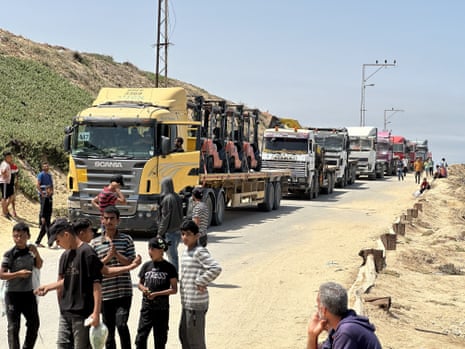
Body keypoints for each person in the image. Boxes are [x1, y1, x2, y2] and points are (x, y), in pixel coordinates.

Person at [35, 219, 103, 349]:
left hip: (82, 313)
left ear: (66, 234)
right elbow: (70, 279)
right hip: (66, 312)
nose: (58, 244)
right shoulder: (66, 256)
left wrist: (96, 313)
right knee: (62, 345)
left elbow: (96, 285)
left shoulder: (87, 252)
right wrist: (49, 287)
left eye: (58, 240)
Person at [90, 205, 136, 349]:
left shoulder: (127, 240)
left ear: (118, 221)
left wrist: (116, 254)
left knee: (121, 325)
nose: (109, 221)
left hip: (124, 292)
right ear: (102, 220)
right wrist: (108, 257)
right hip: (106, 295)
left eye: (112, 218)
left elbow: (130, 262)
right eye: (106, 218)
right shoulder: (95, 243)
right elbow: (95, 267)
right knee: (109, 332)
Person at [178, 219, 222, 349]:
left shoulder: (199, 251)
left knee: (195, 341)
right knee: (184, 335)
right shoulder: (186, 251)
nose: (184, 237)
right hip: (187, 302)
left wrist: (200, 281)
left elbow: (216, 268)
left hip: (196, 304)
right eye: (182, 234)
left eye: (188, 234)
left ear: (197, 236)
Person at [0, 222, 42, 349]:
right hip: (12, 295)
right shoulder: (9, 254)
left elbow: (39, 265)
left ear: (28, 236)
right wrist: (18, 274)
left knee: (34, 324)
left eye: (21, 236)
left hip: (28, 293)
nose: (18, 239)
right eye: (15, 236)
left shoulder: (31, 251)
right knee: (13, 327)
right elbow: (1, 274)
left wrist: (37, 253)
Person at [306, 281, 382, 349]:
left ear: (323, 310)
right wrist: (312, 335)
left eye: (318, 305)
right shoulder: (338, 327)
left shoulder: (346, 331)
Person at [135, 237, 178, 349]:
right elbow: (139, 283)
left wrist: (156, 294)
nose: (149, 251)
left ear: (161, 251)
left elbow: (174, 289)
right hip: (147, 309)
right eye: (149, 248)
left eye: (152, 249)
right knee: (140, 338)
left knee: (160, 340)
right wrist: (143, 289)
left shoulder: (169, 268)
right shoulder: (146, 266)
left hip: (162, 310)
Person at [157, 177, 183, 272]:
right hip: (177, 230)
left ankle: (174, 276)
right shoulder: (176, 196)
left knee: (172, 256)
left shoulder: (167, 199)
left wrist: (160, 233)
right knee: (171, 254)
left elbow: (165, 218)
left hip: (169, 233)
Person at [36, 161, 53, 226]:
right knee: (43, 209)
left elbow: (51, 185)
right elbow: (37, 185)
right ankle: (41, 224)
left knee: (49, 209)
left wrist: (52, 192)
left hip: (49, 194)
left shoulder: (49, 175)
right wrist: (41, 193)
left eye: (47, 166)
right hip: (43, 194)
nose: (46, 167)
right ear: (42, 167)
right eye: (45, 166)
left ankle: (48, 222)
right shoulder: (41, 175)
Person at [1, 151, 13, 219]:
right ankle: (3, 212)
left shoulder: (6, 163)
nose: (11, 158)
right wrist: (5, 176)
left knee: (11, 196)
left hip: (6, 182)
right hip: (4, 182)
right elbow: (3, 171)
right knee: (4, 197)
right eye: (10, 157)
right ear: (6, 157)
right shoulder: (5, 164)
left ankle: (5, 209)